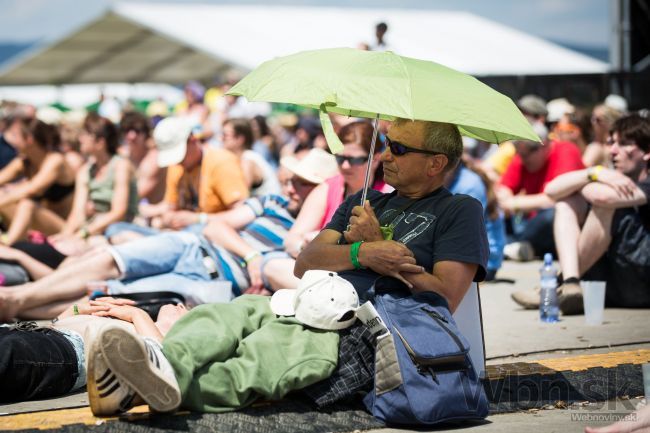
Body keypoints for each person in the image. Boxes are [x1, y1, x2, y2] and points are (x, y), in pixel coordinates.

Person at [83, 118, 488, 417]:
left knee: (260, 361)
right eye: (385, 144)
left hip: (363, 329)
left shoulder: (458, 211)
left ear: (436, 164)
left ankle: (144, 388)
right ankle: (161, 364)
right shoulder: (365, 202)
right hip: (310, 298)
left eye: (398, 149)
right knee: (221, 317)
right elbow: (306, 261)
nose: (384, 156)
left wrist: (375, 246)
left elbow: (444, 297)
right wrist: (362, 253)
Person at [0, 153, 328, 321]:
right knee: (108, 258)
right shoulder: (274, 202)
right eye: (290, 180)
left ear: (320, 192)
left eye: (301, 183)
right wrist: (251, 256)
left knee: (111, 297)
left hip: (210, 281)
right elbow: (214, 226)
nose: (289, 187)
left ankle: (15, 304)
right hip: (194, 245)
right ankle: (18, 296)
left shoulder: (318, 238)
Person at [511, 113, 650, 313]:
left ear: (647, 152)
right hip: (611, 279)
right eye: (611, 143)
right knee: (566, 204)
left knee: (603, 206)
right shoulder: (610, 176)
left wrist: (586, 185)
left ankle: (555, 286)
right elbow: (552, 190)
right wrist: (594, 173)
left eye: (624, 144)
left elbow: (604, 198)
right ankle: (570, 283)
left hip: (641, 279)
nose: (613, 151)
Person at [0, 296, 187, 407]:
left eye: (187, 310)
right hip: (34, 334)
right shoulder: (138, 322)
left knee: (6, 356)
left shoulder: (160, 338)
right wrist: (75, 310)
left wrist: (137, 314)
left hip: (62, 352)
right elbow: (54, 326)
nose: (180, 306)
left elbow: (162, 358)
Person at [283, 121, 391, 257]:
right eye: (340, 158)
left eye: (354, 160)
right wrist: (304, 246)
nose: (345, 166)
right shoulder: (328, 188)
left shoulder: (388, 194)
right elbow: (291, 239)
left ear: (375, 159)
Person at [135, 116, 249, 233]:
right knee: (123, 231)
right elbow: (171, 206)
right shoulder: (176, 166)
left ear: (193, 139)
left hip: (215, 238)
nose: (177, 161)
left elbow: (243, 215)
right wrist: (168, 218)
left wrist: (198, 219)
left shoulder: (221, 162)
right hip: (185, 235)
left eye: (180, 156)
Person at [497, 122, 584, 261]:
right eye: (520, 154)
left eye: (526, 155)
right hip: (527, 223)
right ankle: (510, 246)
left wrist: (514, 203)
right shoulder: (522, 156)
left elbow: (557, 199)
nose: (523, 159)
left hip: (558, 225)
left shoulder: (566, 151)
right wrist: (507, 201)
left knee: (553, 213)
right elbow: (502, 191)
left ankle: (509, 246)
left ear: (545, 145)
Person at [0, 118, 76, 245]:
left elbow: (32, 189)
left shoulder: (55, 160)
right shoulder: (24, 161)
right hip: (37, 226)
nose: (10, 140)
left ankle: (6, 245)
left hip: (63, 228)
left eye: (15, 136)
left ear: (29, 139)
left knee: (27, 204)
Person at [220, 118, 281, 197]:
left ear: (239, 139)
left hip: (271, 206)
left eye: (225, 135)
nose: (220, 138)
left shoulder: (248, 160)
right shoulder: (245, 157)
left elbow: (240, 194)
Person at [119, 111, 167, 204]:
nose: (132, 136)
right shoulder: (122, 155)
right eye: (127, 130)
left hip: (153, 212)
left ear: (146, 134)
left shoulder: (154, 160)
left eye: (137, 131)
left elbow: (136, 196)